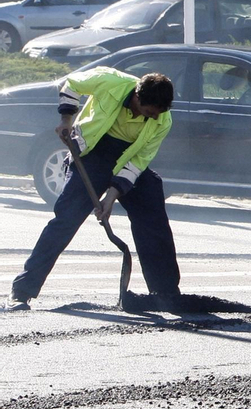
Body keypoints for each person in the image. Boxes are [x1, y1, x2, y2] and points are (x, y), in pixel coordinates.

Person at [12, 68, 181, 306]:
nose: (153, 117)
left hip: (127, 159)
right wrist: (66, 120)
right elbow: (71, 85)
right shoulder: (110, 81)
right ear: (137, 97)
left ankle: (166, 294)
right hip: (92, 156)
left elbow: (139, 161)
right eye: (148, 112)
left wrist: (111, 196)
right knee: (66, 219)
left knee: (153, 213)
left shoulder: (163, 120)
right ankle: (22, 290)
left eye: (157, 114)